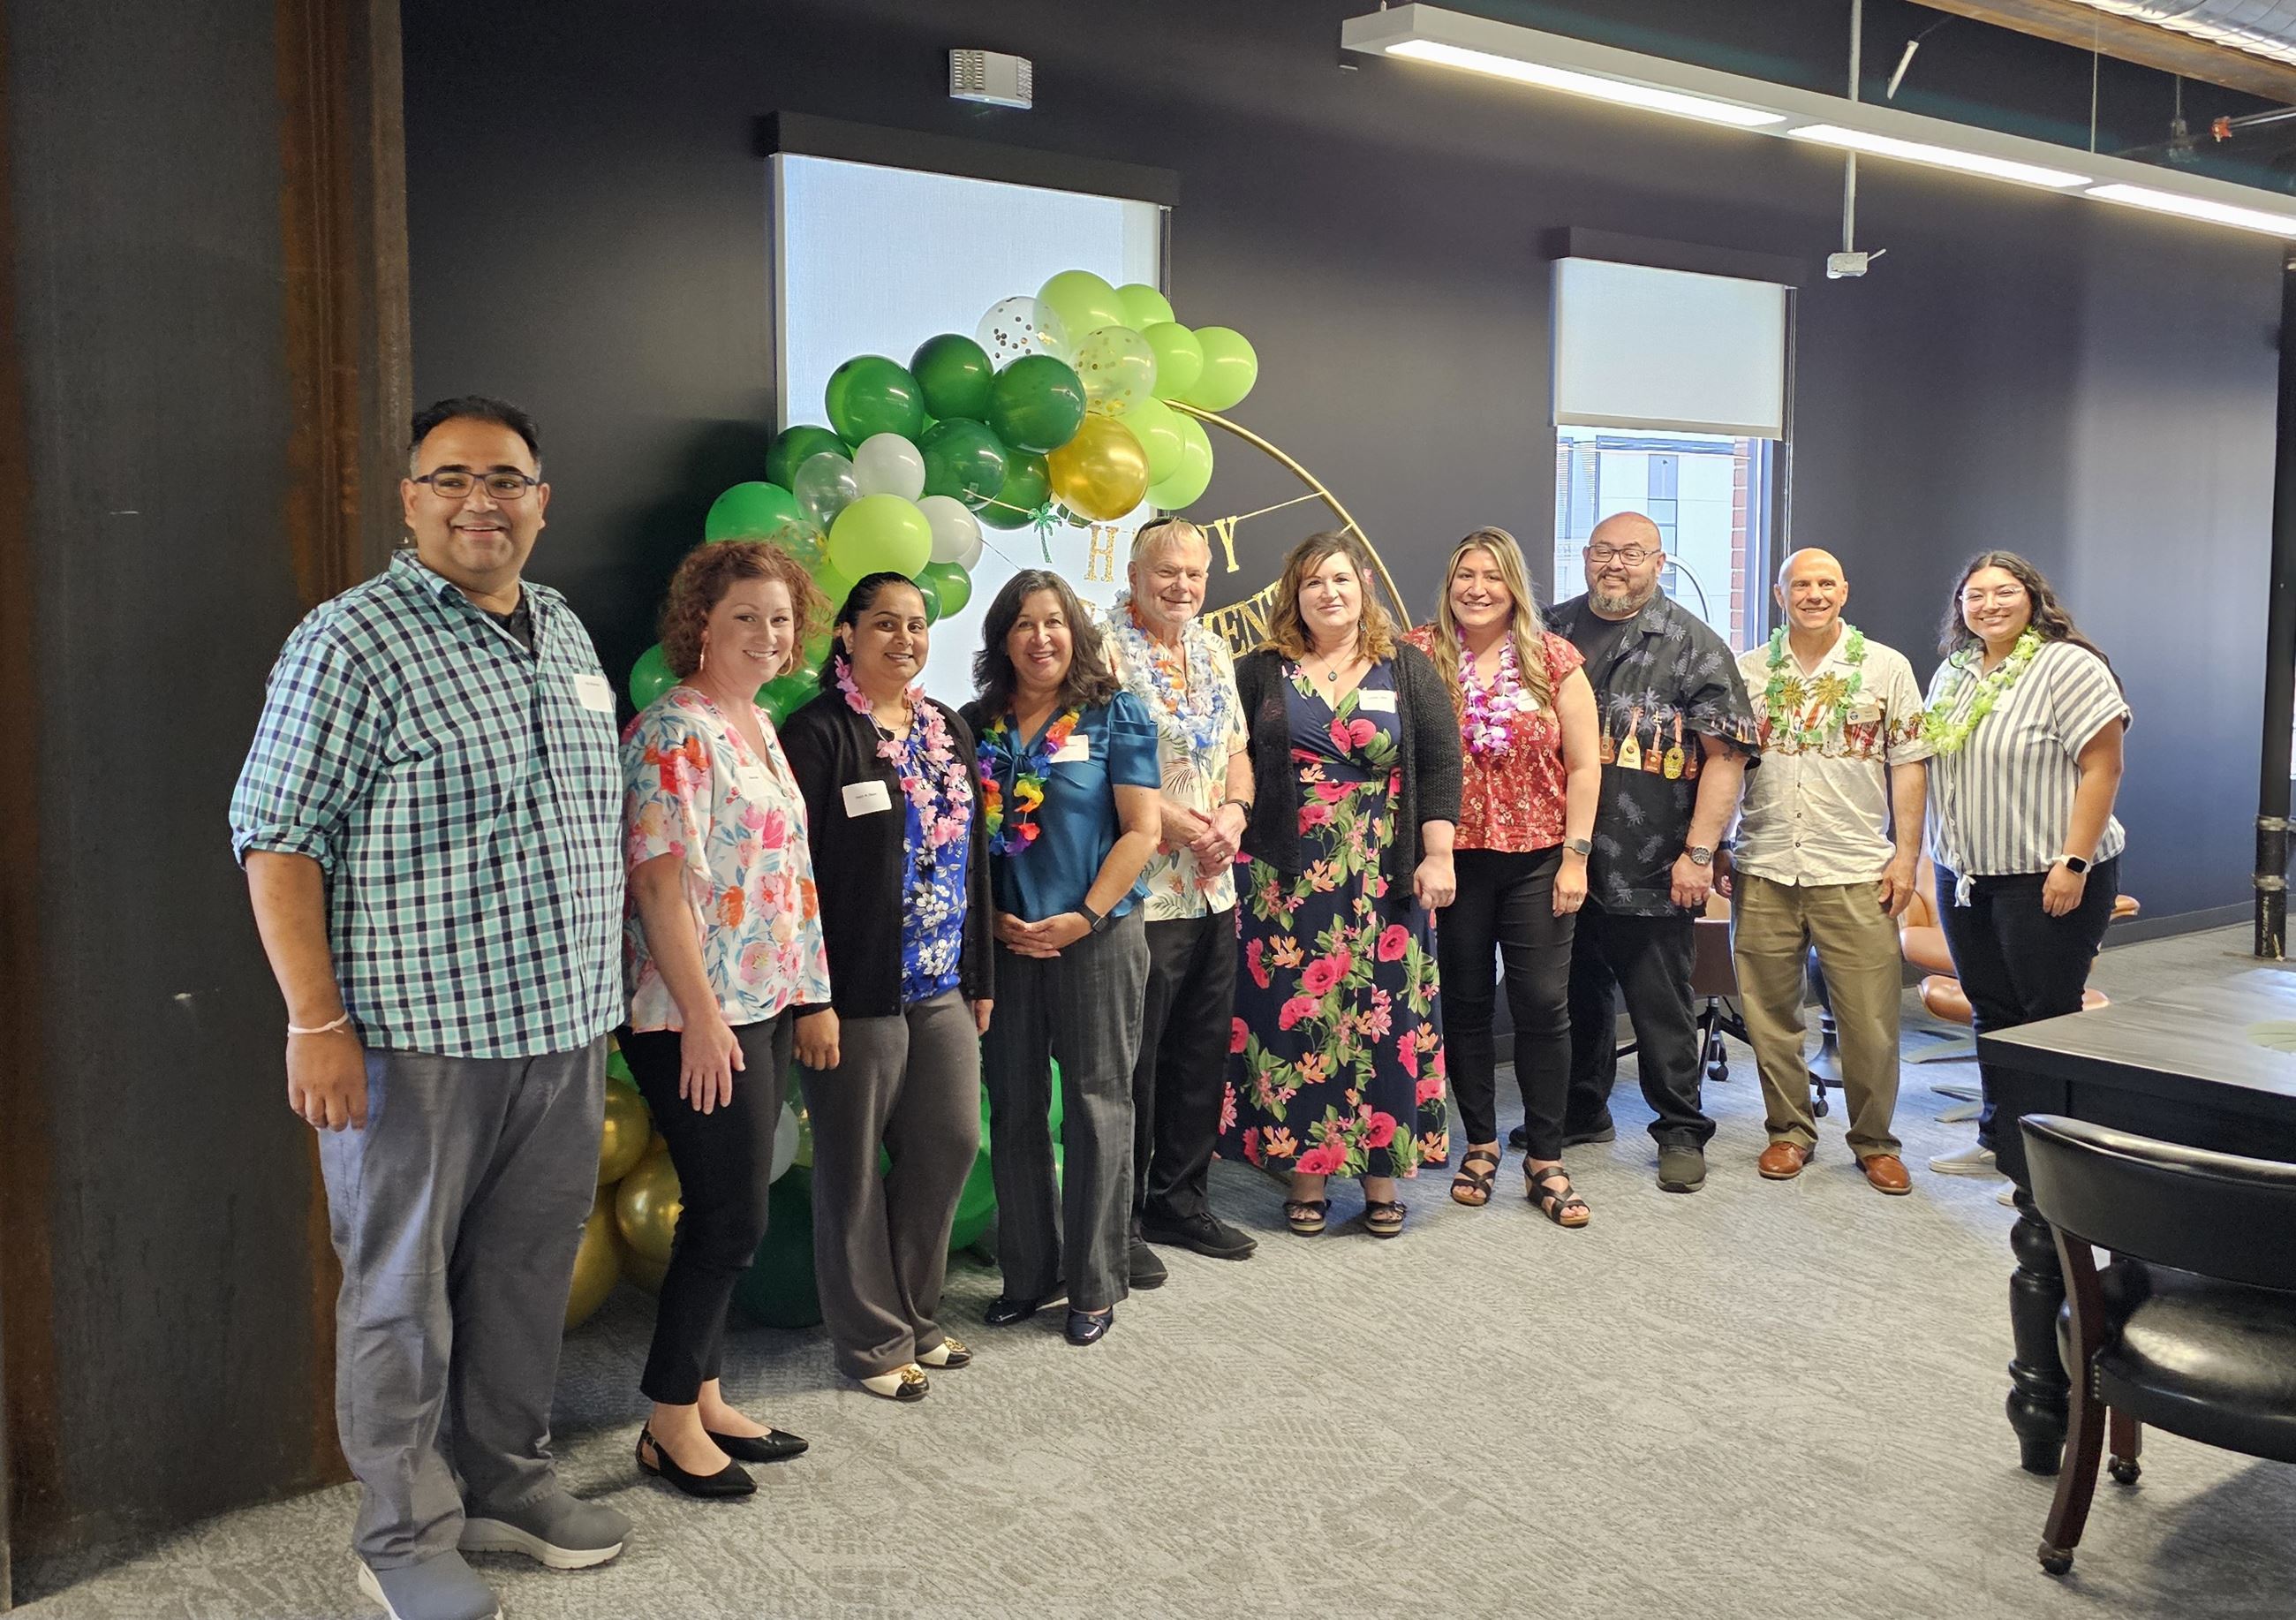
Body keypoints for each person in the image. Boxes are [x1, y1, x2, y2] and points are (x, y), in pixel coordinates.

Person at [230, 397, 631, 1620]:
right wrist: (315, 1021)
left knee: (523, 1276)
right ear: (408, 500)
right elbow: (277, 840)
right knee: (400, 1292)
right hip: (413, 1041)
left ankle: (507, 1480)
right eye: (451, 477)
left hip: (561, 1031)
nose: (481, 500)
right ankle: (401, 1531)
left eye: (506, 478)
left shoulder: (562, 630)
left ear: (542, 499)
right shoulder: (348, 641)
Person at [617, 540, 827, 1497]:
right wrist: (701, 1018)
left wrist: (809, 994)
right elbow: (658, 889)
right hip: (692, 1012)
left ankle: (703, 1393)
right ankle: (665, 1420)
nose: (766, 634)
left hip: (763, 1001)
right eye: (745, 615)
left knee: (729, 1207)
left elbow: (786, 881)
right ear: (702, 621)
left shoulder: (757, 723)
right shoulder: (674, 730)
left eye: (780, 618)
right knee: (729, 1216)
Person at [780, 572, 993, 1400]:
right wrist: (812, 997)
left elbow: (971, 859)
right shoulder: (818, 733)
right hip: (854, 988)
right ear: (847, 634)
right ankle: (872, 1341)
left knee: (948, 1142)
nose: (903, 639)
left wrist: (978, 971)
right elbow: (791, 878)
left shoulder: (947, 729)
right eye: (884, 624)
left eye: (916, 625)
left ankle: (915, 1314)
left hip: (940, 980)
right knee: (851, 1168)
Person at [1221, 531, 1461, 1238]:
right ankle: (1305, 1174)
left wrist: (1437, 855)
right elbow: (1234, 759)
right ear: (1293, 595)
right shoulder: (1261, 671)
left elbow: (1442, 765)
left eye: (1341, 580)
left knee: (1382, 1020)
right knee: (1295, 1019)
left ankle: (1382, 1174)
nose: (1329, 594)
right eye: (1313, 583)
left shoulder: (1406, 667)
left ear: (1363, 589)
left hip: (1384, 873)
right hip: (1284, 877)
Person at [963, 571, 1161, 1346]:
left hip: (1097, 939)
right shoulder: (975, 724)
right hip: (1007, 945)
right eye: (1022, 624)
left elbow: (1142, 830)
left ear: (1075, 631)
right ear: (1001, 639)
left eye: (1054, 622)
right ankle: (1028, 1274)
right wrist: (993, 924)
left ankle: (1094, 1283)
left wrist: (1084, 915)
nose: (1040, 638)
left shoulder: (1118, 714)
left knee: (1094, 1105)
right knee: (1012, 1110)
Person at [1545, 511, 1759, 1195]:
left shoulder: (1693, 645)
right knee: (1573, 995)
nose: (1616, 564)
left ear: (1659, 563)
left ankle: (1680, 1130)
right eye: (1603, 551)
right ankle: (1583, 1111)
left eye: (1632, 554)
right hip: (1559, 858)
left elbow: (1726, 757)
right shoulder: (1548, 629)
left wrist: (1701, 852)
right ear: (1584, 556)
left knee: (1661, 1002)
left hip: (1653, 859)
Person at [1403, 528, 1601, 1225]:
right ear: (1449, 583)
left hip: (1539, 857)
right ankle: (1480, 1144)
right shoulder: (1420, 653)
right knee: (1462, 1002)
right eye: (1465, 574)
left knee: (1543, 1003)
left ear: (1514, 584)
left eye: (1491, 575)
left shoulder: (1554, 660)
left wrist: (1576, 856)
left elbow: (1584, 764)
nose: (1477, 588)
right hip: (1453, 861)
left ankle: (1545, 1158)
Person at [1920, 551, 2127, 1184]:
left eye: (2003, 592)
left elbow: (2103, 767)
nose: (1989, 605)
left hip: (2048, 871)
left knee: (2048, 1016)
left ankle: (2055, 1168)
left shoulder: (2068, 665)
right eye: (1974, 595)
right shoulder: (1953, 673)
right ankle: (2002, 1142)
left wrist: (2074, 861)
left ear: (2032, 597)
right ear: (1960, 607)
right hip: (1966, 875)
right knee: (1993, 1012)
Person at [1726, 548, 1929, 1196]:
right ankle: (1788, 1131)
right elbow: (1727, 765)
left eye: (1825, 584)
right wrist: (1719, 845)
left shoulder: (1885, 667)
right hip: (1765, 864)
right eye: (1799, 585)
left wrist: (1905, 855)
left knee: (1870, 1020)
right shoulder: (1748, 671)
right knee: (1769, 1014)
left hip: (1855, 867)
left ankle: (1875, 1142)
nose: (1813, 594)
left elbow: (1910, 763)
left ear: (1844, 592)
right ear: (1779, 596)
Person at [1097, 518, 1258, 1284]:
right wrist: (1170, 821)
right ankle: (1119, 1219)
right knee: (1134, 1061)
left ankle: (1181, 1200)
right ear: (1134, 574)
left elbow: (1236, 753)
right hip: (1141, 890)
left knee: (1200, 1052)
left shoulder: (1213, 649)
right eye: (1167, 573)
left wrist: (1232, 815)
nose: (1183, 587)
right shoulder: (1099, 650)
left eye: (1194, 574)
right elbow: (1088, 764)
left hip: (1213, 885)